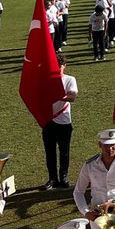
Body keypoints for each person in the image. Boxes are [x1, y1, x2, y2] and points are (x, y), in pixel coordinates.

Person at [42, 54, 78, 190]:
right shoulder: (47, 80)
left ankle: (64, 176)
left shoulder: (70, 79)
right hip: (49, 121)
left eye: (60, 66)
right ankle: (52, 178)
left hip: (64, 121)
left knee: (64, 151)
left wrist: (59, 96)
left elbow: (73, 96)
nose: (58, 69)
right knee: (50, 151)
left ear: (64, 66)